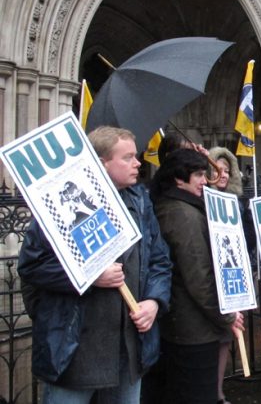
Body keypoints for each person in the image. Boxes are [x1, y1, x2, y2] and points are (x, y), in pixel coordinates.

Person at [18, 126, 172, 404]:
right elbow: (32, 266)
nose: (138, 163)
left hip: (128, 351)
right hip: (76, 352)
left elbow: (159, 260)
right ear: (101, 163)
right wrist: (89, 276)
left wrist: (154, 302)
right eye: (127, 157)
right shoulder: (55, 205)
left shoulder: (140, 202)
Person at [149, 148, 244, 404]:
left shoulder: (179, 206)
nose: (206, 180)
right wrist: (226, 315)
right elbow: (198, 277)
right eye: (199, 174)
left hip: (187, 326)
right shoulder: (182, 214)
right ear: (180, 179)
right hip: (193, 329)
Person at [209, 146, 244, 404]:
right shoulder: (201, 200)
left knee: (224, 337)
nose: (223, 175)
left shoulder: (234, 202)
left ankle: (219, 391)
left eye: (227, 170)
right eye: (218, 169)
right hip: (208, 276)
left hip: (230, 273)